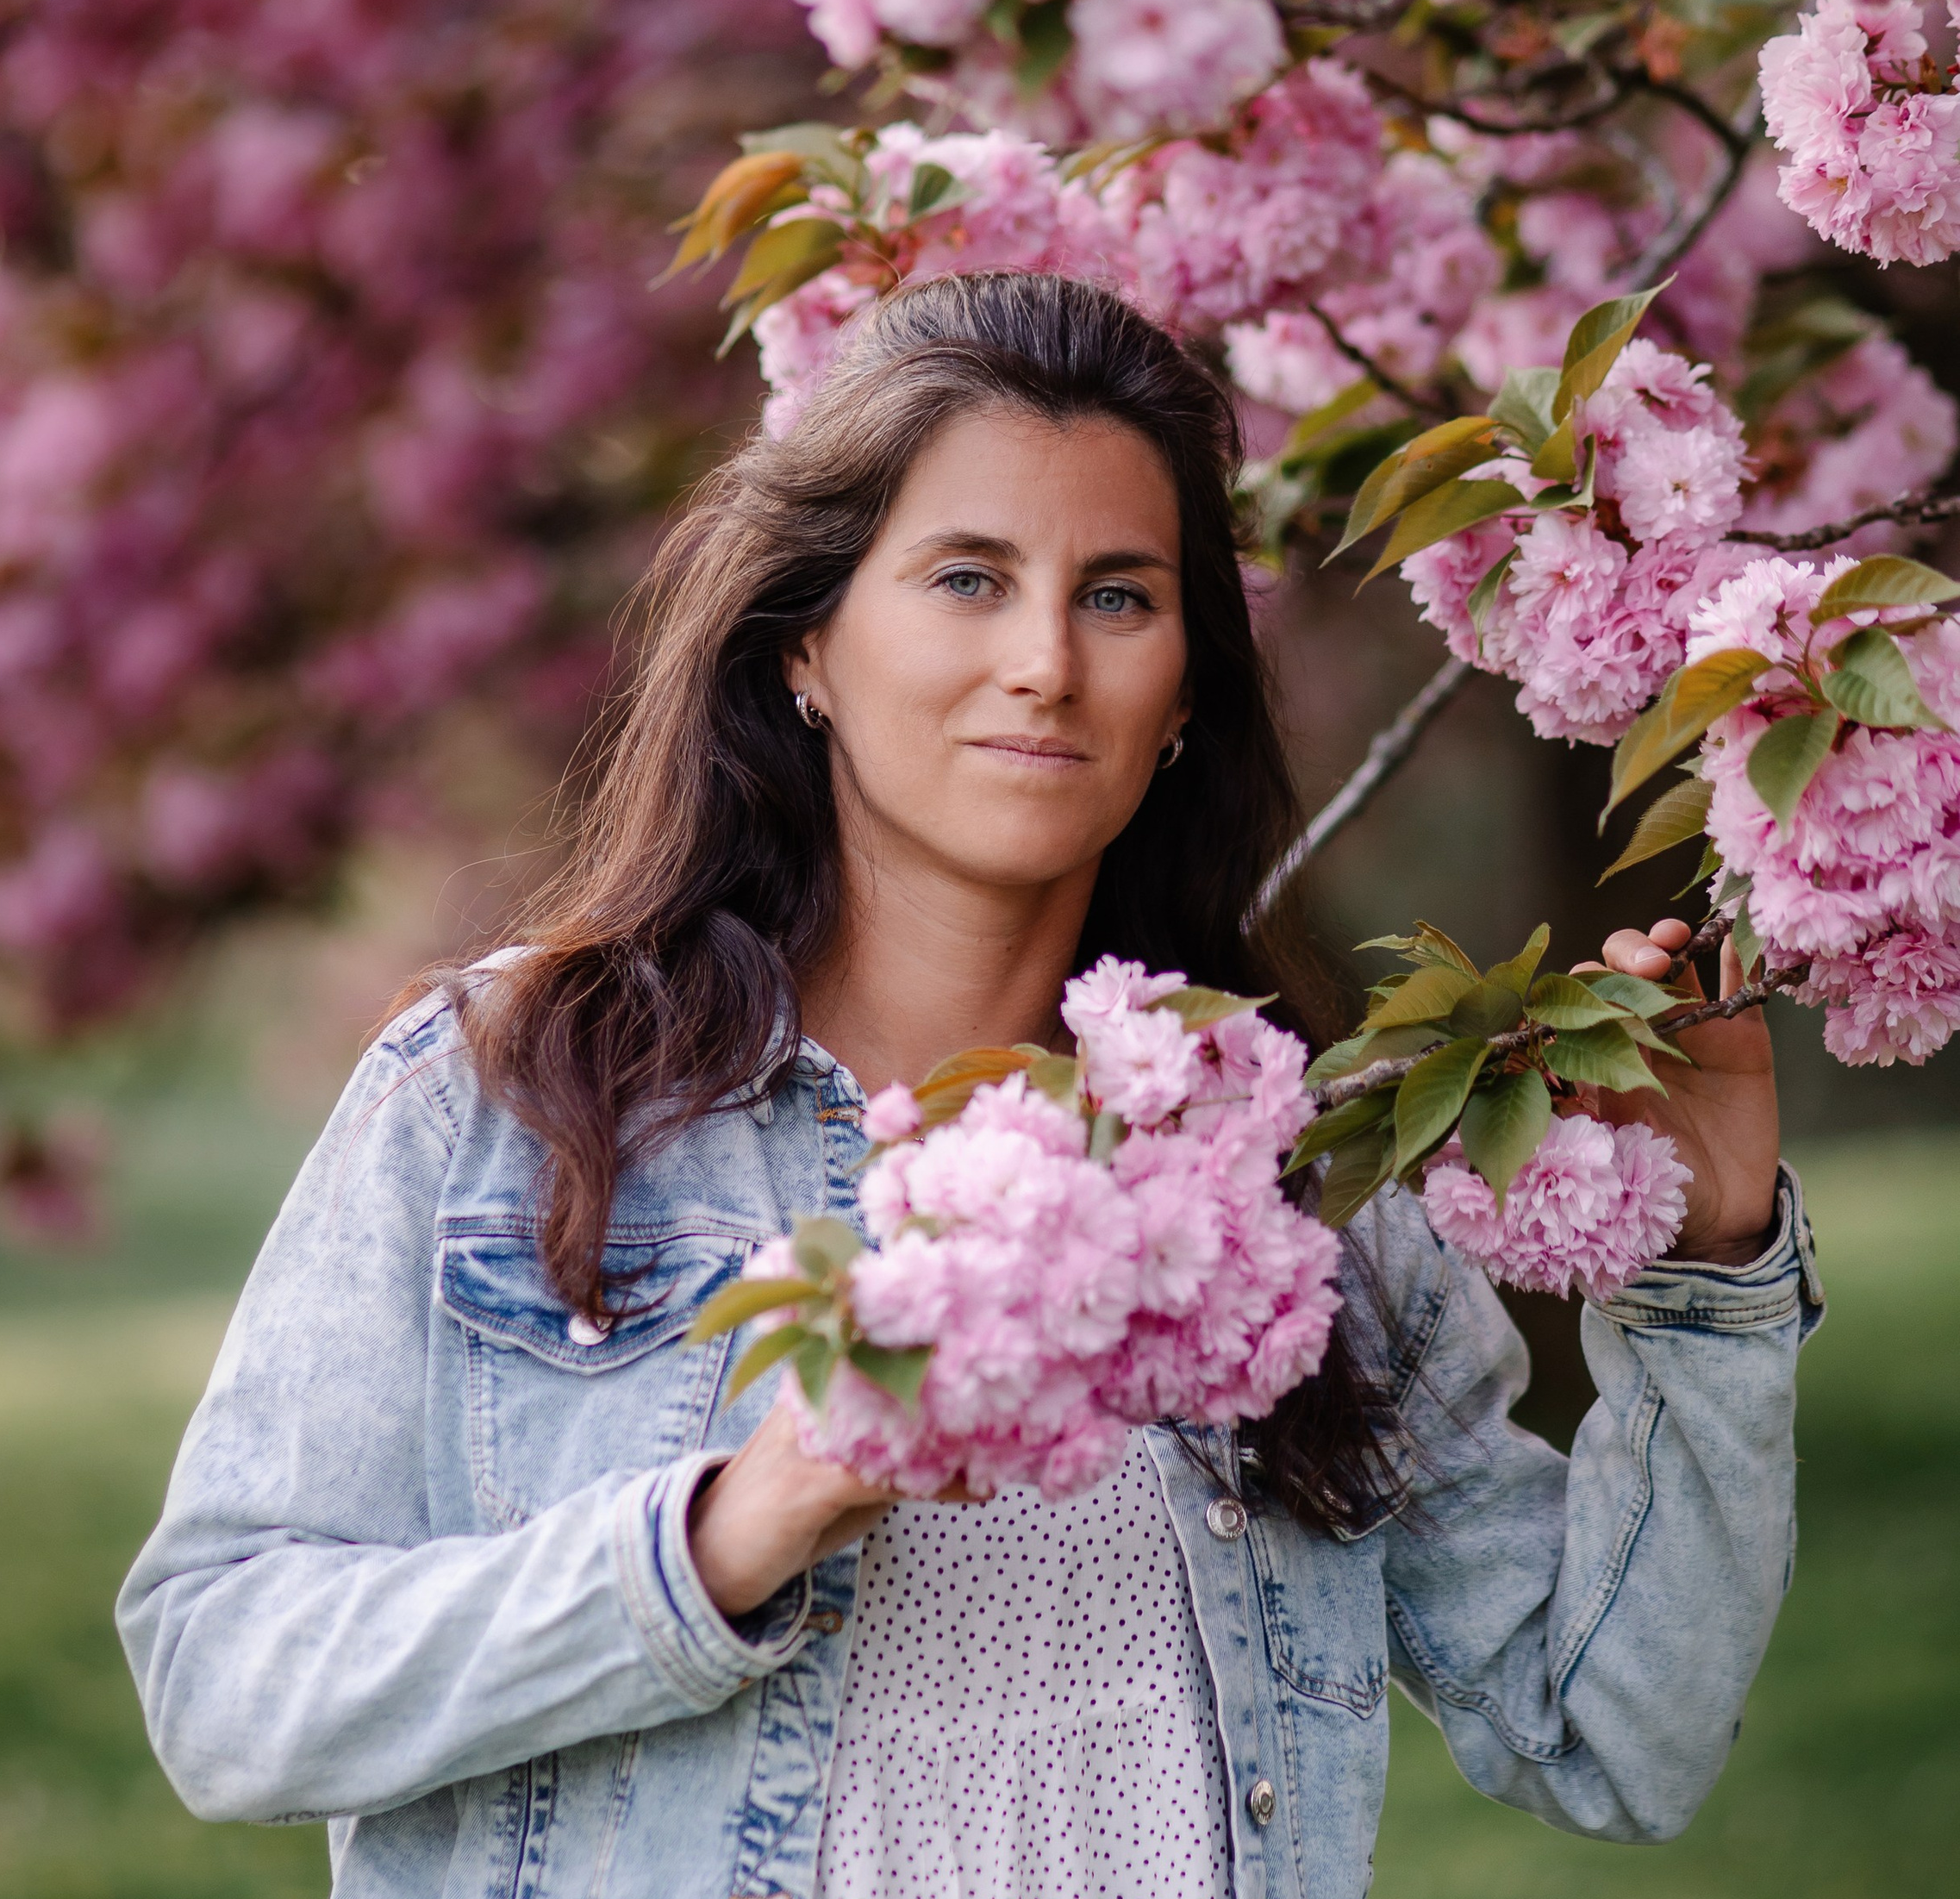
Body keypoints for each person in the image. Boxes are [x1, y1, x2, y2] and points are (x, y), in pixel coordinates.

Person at [119, 272, 1820, 1899]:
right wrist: (720, 1531)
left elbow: (1610, 1734)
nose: (1044, 662)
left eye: (1116, 593)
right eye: (963, 577)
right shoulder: (502, 1091)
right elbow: (223, 1678)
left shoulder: (1279, 1160)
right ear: (804, 646)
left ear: (1176, 696)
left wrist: (1715, 1265)